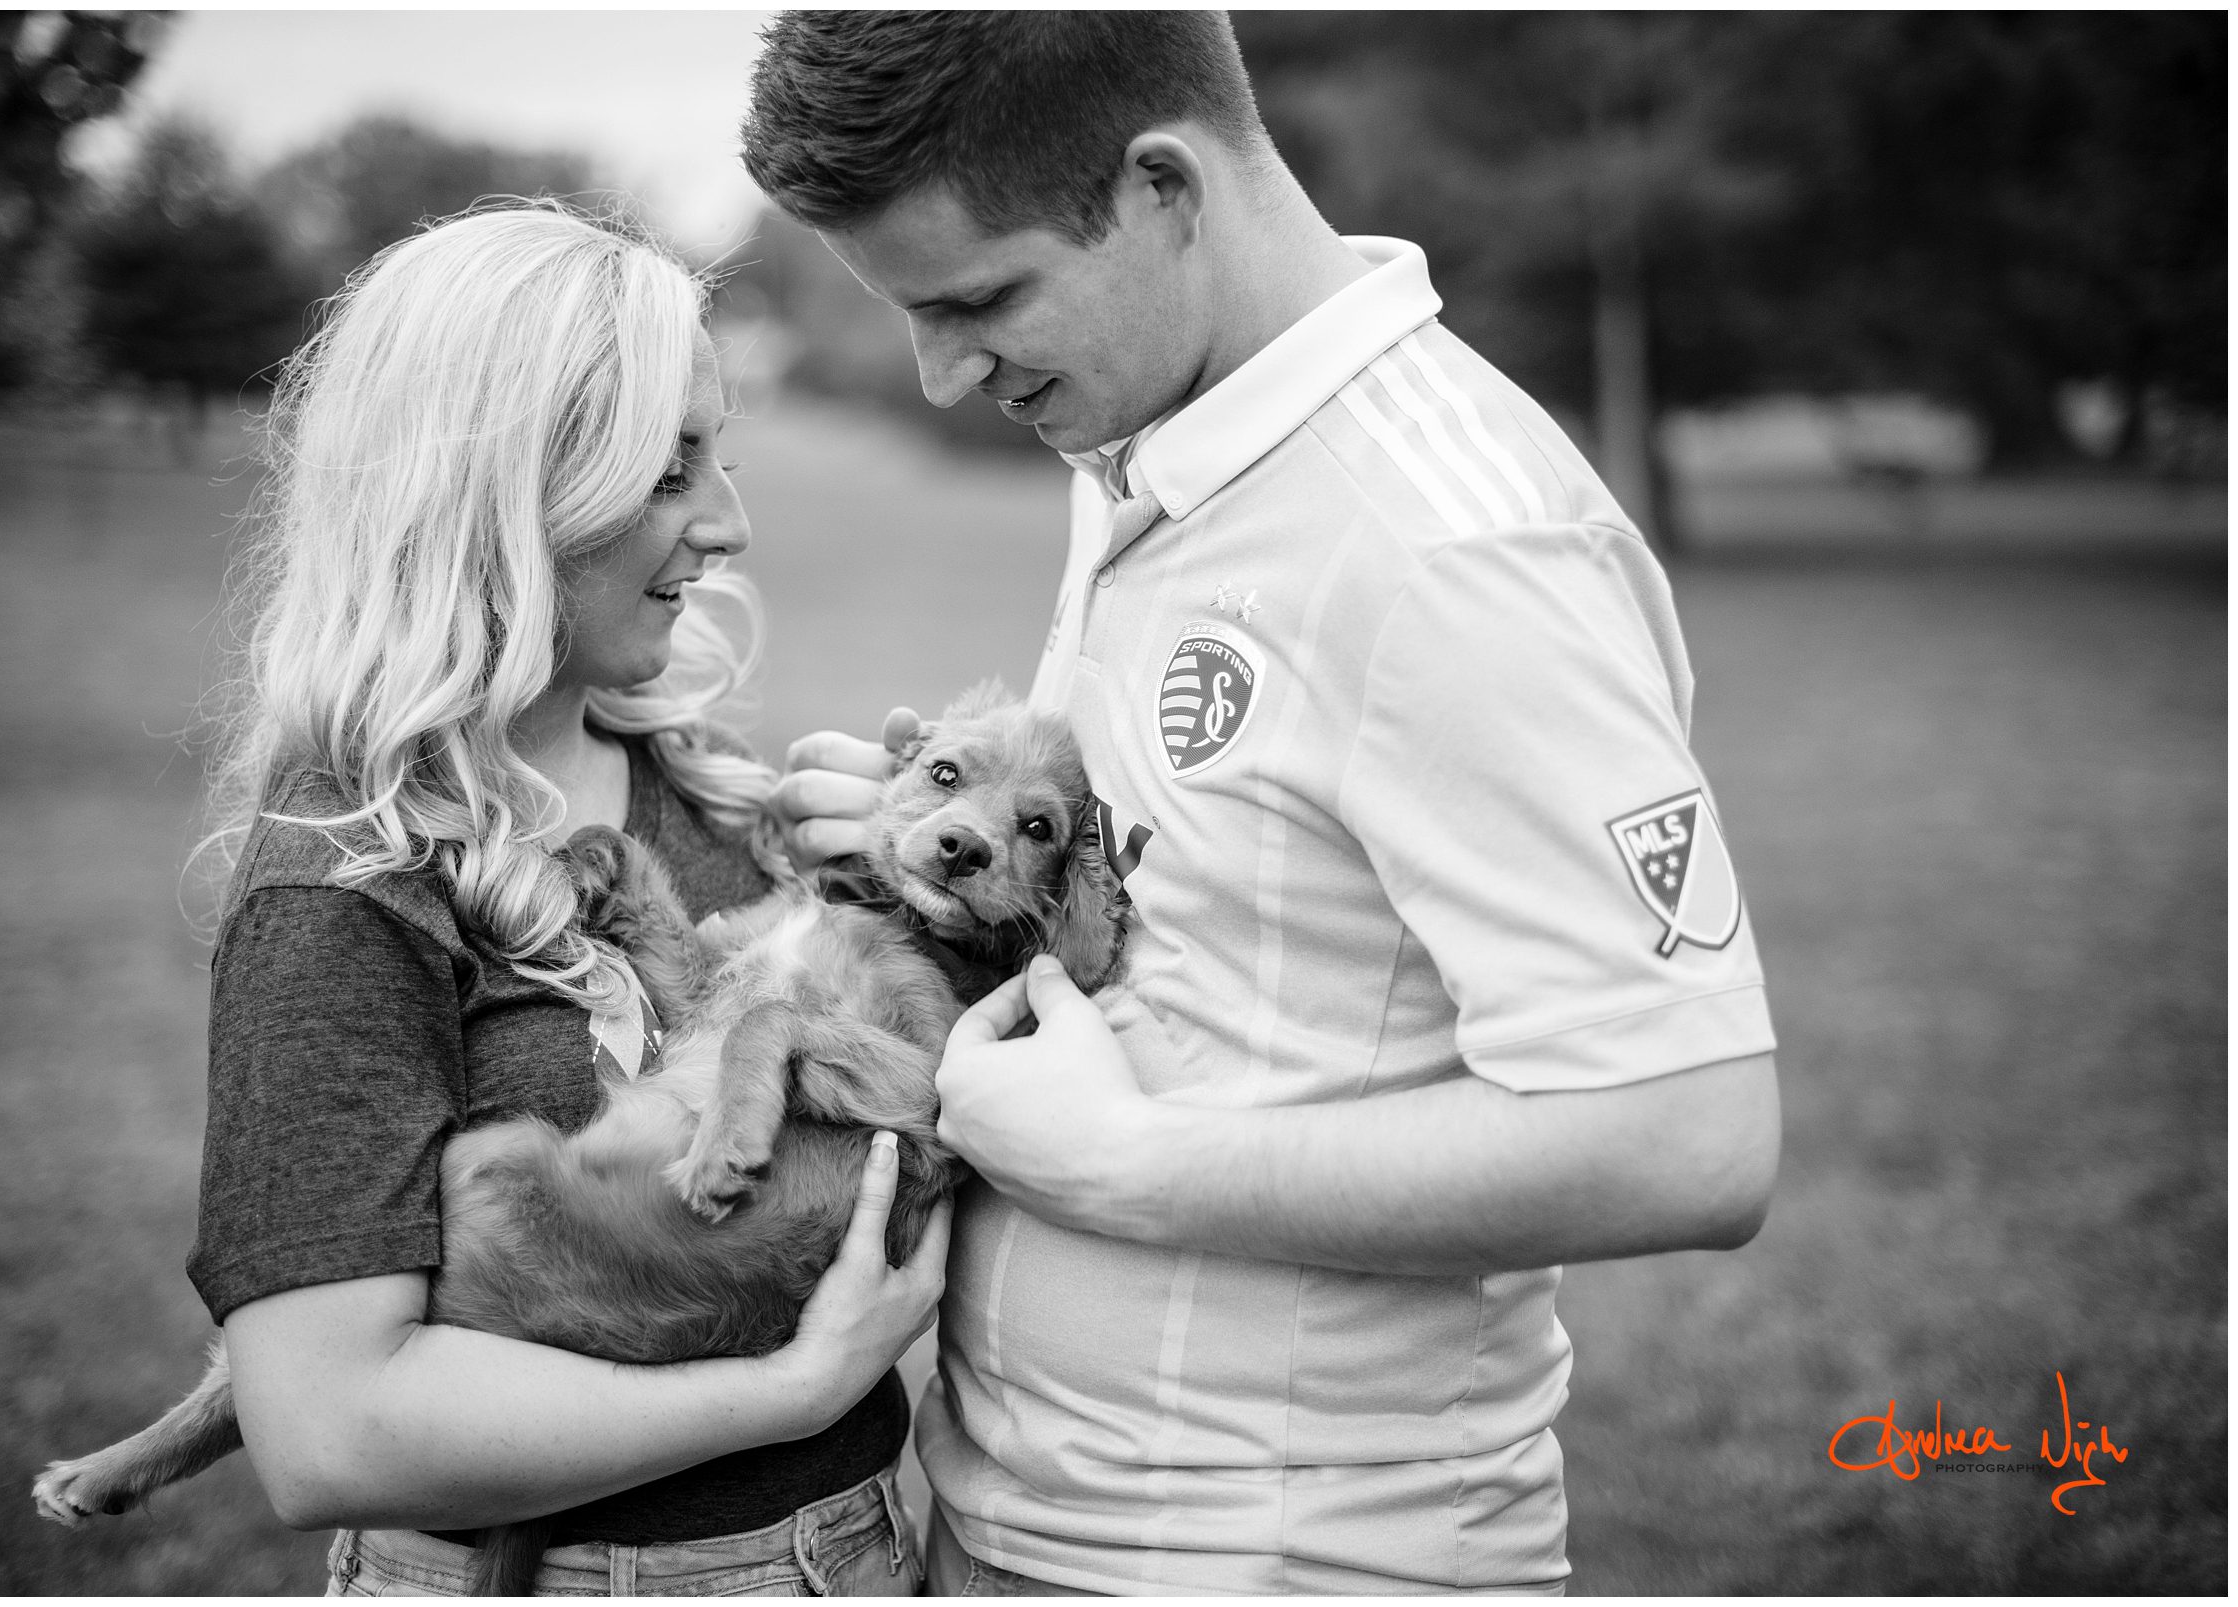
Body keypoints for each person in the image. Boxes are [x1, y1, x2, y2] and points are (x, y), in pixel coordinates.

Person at [743, 13, 1781, 1596]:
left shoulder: (1444, 544)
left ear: (1163, 188)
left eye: (980, 299)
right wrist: (931, 840)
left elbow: (1683, 1136)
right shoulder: (1166, 448)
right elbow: (1222, 919)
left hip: (1272, 1563)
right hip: (1020, 1522)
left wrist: (1132, 1167)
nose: (944, 376)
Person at [185, 205, 946, 1597]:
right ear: (499, 497)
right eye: (669, 471)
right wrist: (796, 1387)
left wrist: (906, 872)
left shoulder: (696, 789)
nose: (730, 522)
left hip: (852, 1554)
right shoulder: (343, 892)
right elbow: (327, 1433)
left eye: (720, 455)